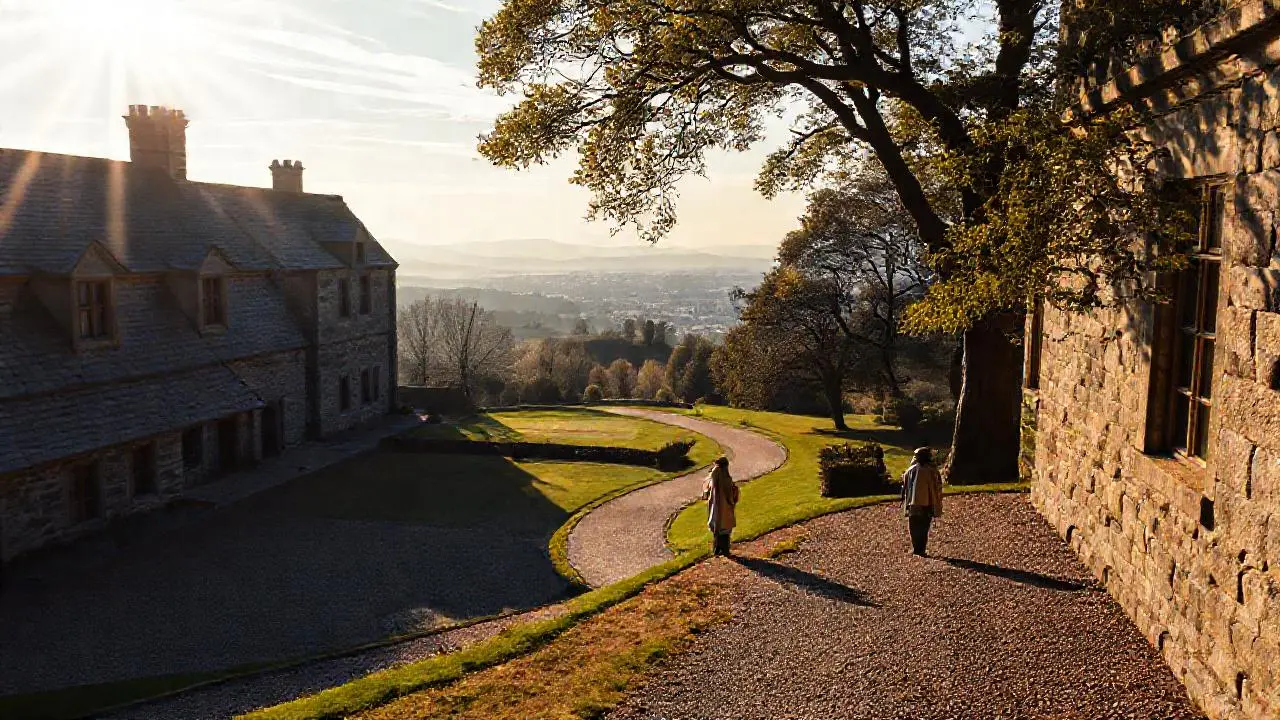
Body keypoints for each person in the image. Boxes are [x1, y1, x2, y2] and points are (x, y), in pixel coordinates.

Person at [901, 447, 943, 557]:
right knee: (924, 526)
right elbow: (938, 486)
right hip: (927, 504)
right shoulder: (932, 471)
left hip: (913, 504)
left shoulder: (911, 470)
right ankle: (921, 548)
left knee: (914, 526)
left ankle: (916, 548)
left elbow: (904, 484)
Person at [704, 456, 739, 556]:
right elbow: (731, 497)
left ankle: (716, 549)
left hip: (715, 510)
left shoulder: (713, 477)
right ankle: (725, 550)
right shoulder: (726, 480)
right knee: (725, 531)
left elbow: (706, 491)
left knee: (717, 531)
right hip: (725, 510)